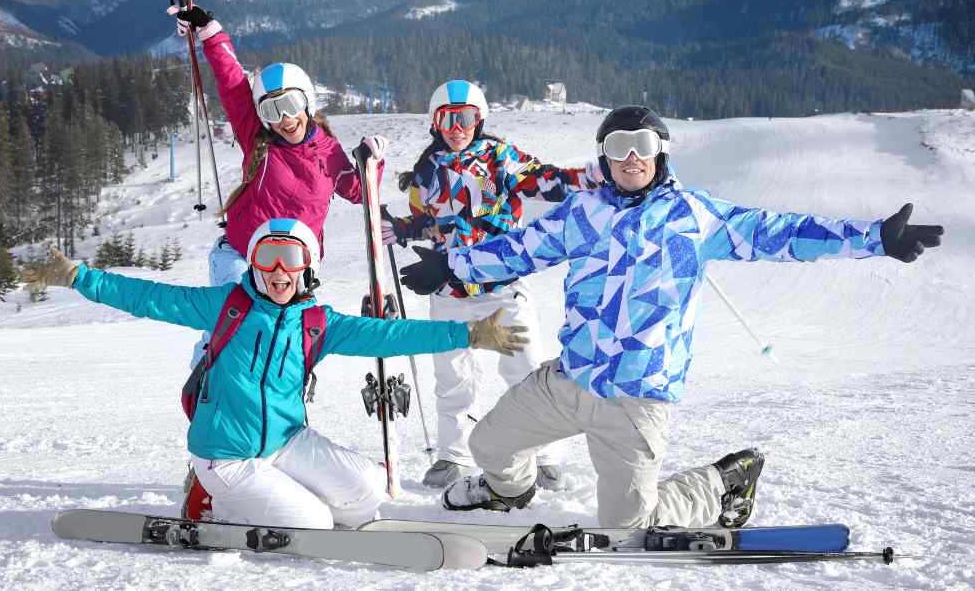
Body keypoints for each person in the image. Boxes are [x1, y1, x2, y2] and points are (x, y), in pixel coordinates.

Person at [398, 105, 944, 528]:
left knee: (627, 528)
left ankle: (721, 483)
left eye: (643, 145)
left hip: (636, 399)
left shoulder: (695, 217)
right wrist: (451, 264)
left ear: (660, 152)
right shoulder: (584, 212)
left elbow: (778, 232)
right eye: (618, 146)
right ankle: (507, 491)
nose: (631, 156)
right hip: (570, 380)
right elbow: (519, 248)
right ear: (604, 156)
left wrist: (873, 237)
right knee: (487, 446)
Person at [23, 219, 529, 530]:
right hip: (227, 454)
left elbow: (387, 335)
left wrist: (466, 335)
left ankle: (273, 493)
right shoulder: (227, 307)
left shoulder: (316, 323)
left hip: (287, 441)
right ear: (255, 265)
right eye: (268, 259)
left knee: (368, 494)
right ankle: (212, 500)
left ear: (308, 268)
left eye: (291, 260)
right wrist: (77, 277)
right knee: (310, 522)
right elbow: (147, 297)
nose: (278, 272)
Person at [169, 4, 387, 512]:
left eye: (290, 105)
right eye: (271, 110)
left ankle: (273, 460)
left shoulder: (329, 152)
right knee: (222, 360)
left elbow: (360, 194)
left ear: (308, 102)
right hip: (240, 261)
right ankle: (210, 470)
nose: (283, 119)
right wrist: (210, 32)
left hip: (294, 276)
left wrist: (371, 164)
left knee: (280, 369)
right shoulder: (258, 140)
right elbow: (229, 84)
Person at [381, 79, 603, 490]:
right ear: (435, 122)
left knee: (523, 369)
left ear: (479, 118)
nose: (457, 126)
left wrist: (594, 177)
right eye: (447, 118)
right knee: (453, 376)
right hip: (450, 292)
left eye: (465, 117)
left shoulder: (499, 158)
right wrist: (402, 229)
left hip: (500, 285)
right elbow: (426, 221)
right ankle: (453, 455)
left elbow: (548, 181)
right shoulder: (425, 172)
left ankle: (546, 454)